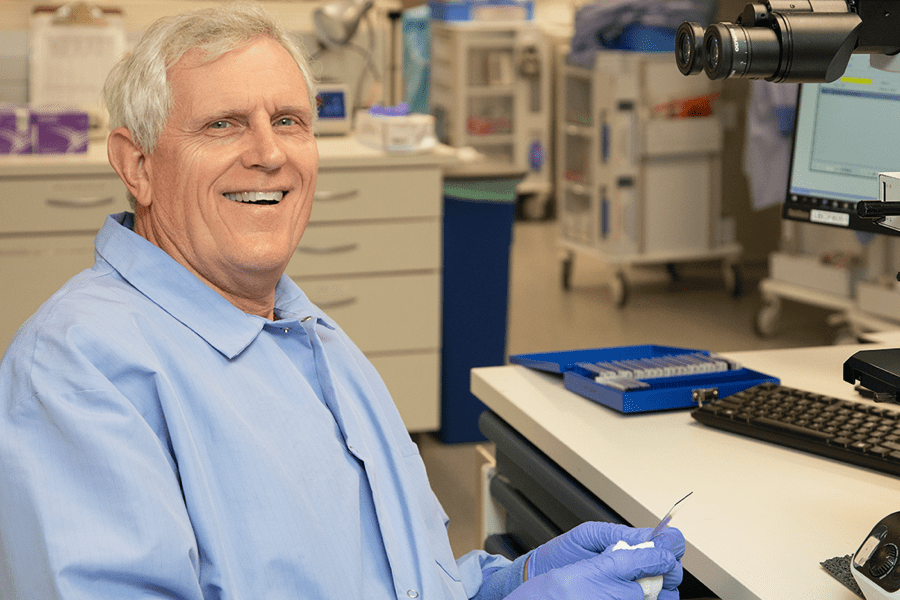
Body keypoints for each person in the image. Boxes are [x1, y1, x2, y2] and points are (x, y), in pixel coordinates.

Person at [0, 2, 686, 599]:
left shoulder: (312, 339)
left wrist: (515, 580)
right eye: (223, 125)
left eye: (291, 120)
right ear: (137, 164)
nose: (269, 154)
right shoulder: (78, 372)